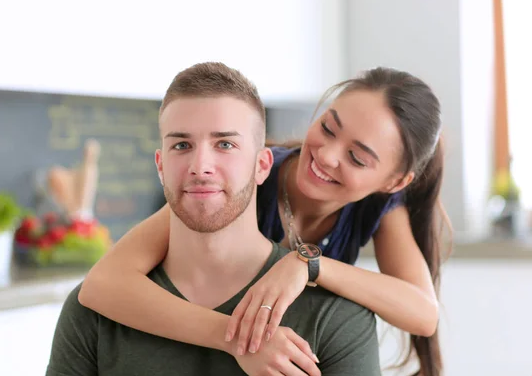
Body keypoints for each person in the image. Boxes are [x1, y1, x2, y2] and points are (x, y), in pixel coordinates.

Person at [78, 64, 451, 376]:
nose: (325, 155)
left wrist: (307, 266)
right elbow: (102, 285)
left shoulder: (380, 210)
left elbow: (422, 313)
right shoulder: (241, 183)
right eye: (328, 128)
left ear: (394, 182)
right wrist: (235, 338)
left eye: (356, 158)